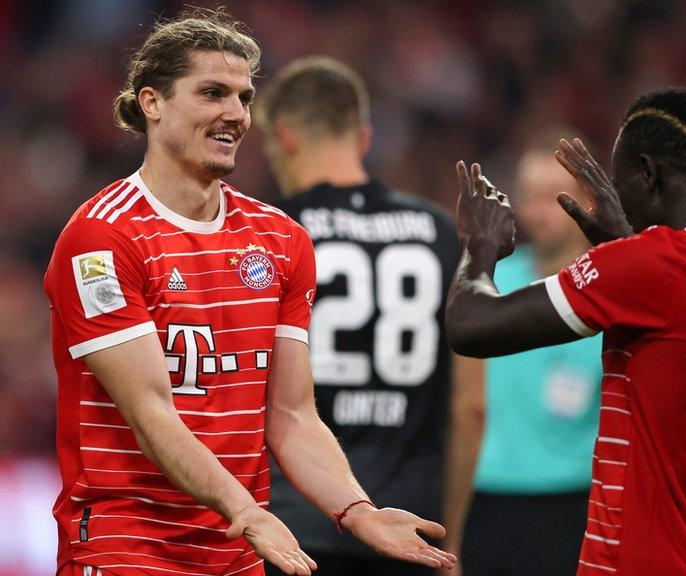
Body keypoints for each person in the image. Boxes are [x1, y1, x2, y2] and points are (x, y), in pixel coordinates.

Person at [43, 10, 455, 576]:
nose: (236, 115)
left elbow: (291, 416)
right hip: (129, 546)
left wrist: (358, 511)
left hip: (241, 551)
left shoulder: (281, 240)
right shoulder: (101, 238)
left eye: (244, 97)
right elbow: (150, 413)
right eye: (213, 93)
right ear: (152, 103)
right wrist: (246, 508)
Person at [446, 87, 686, 575]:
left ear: (648, 174)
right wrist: (628, 247)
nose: (615, 197)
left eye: (621, 182)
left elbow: (470, 325)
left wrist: (479, 246)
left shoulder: (655, 268)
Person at [254, 56, 478, 576]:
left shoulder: (268, 235)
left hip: (296, 527)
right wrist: (455, 537)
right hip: (414, 527)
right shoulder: (442, 232)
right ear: (364, 136)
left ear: (284, 138)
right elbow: (472, 406)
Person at [449, 136, 603, 576]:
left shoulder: (613, 289)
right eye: (529, 196)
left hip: (576, 504)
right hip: (489, 501)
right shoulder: (487, 282)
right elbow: (466, 408)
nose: (539, 210)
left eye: (554, 197)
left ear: (587, 199)